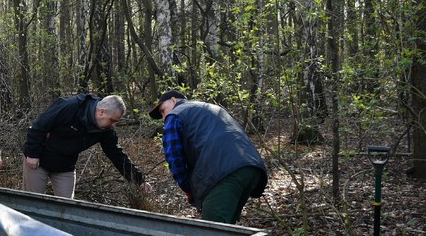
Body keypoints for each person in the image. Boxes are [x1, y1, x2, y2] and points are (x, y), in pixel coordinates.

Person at [149, 89, 268, 224]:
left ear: (173, 100)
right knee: (228, 229)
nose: (163, 117)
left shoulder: (175, 115)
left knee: (212, 231)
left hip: (223, 174)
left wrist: (189, 190)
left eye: (163, 111)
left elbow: (175, 160)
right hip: (252, 169)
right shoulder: (211, 108)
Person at [23, 93, 152, 198]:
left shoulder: (106, 130)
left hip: (65, 167)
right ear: (101, 112)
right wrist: (32, 154)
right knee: (32, 203)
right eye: (112, 120)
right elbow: (38, 127)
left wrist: (139, 180)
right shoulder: (70, 106)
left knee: (67, 208)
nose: (114, 125)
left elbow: (116, 154)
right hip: (39, 160)